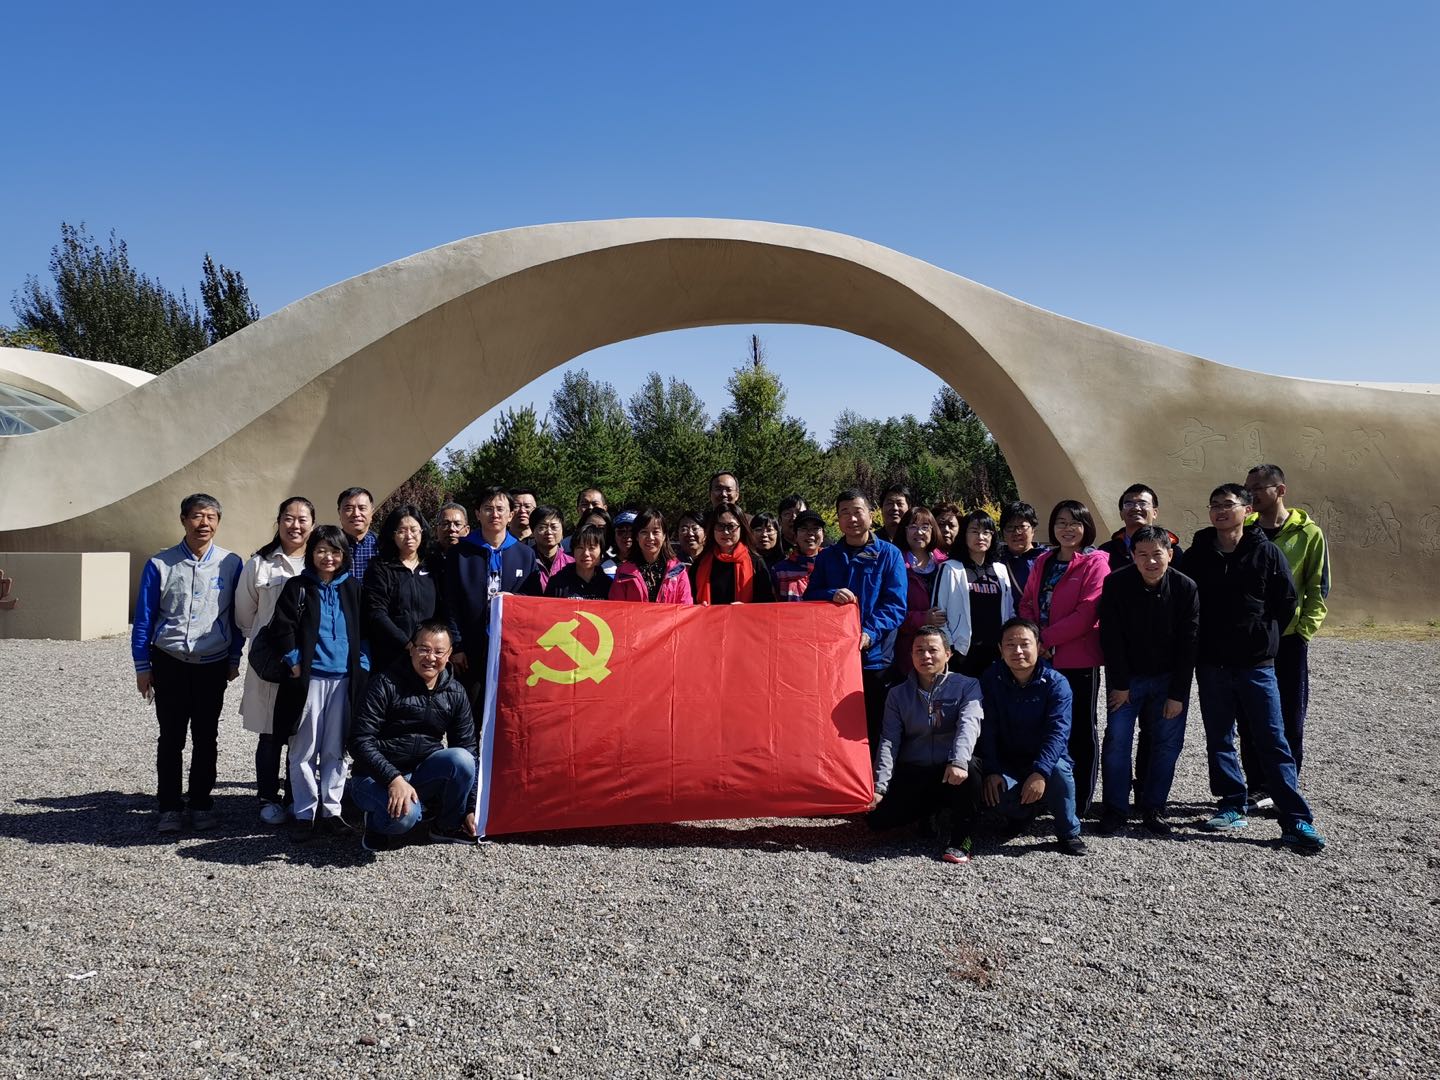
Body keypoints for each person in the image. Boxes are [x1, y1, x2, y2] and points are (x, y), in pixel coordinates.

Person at [1181, 484, 1326, 852]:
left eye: (1227, 504)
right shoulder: (1197, 555)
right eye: (1214, 505)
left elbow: (1286, 601)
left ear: (1247, 511)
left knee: (1272, 738)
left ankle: (1294, 818)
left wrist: (1264, 637)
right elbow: (1185, 602)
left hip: (1256, 664)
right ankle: (1231, 803)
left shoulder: (1267, 552)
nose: (1219, 511)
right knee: (1220, 738)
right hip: (1212, 663)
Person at [131, 493, 244, 834]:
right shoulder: (160, 564)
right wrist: (142, 666)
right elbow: (144, 617)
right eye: (196, 516)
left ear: (218, 522)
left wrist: (234, 657)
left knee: (207, 737)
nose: (203, 523)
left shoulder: (231, 564)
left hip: (212, 663)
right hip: (170, 661)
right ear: (183, 520)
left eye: (210, 517)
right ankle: (169, 806)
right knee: (171, 737)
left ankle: (201, 804)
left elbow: (236, 617)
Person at [267, 525, 369, 842]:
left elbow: (365, 630)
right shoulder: (298, 586)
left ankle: (332, 811)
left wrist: (363, 663)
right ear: (311, 553)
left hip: (344, 680)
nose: (328, 557)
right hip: (309, 680)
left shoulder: (352, 587)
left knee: (336, 749)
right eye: (321, 550)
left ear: (344, 555)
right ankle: (304, 812)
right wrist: (294, 660)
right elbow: (281, 627)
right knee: (303, 749)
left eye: (335, 551)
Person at [1097, 525, 1198, 835]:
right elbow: (1110, 637)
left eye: (1157, 554)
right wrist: (1120, 685)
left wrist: (1178, 694)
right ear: (1132, 556)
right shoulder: (1116, 583)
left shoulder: (1185, 587)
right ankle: (1115, 808)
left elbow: (1189, 644)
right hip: (1127, 679)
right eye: (1142, 555)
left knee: (1167, 743)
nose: (1150, 561)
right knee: (1117, 741)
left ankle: (1154, 806)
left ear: (1170, 554)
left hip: (1168, 680)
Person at [348, 621, 479, 851]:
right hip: (374, 777)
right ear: (411, 648)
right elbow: (359, 741)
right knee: (406, 816)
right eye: (424, 649)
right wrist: (393, 779)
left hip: (420, 772)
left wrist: (470, 808)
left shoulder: (456, 692)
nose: (431, 657)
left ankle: (446, 826)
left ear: (449, 654)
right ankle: (376, 823)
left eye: (439, 651)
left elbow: (468, 747)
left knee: (462, 759)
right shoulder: (384, 684)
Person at [1017, 500, 1109, 814]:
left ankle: (1080, 800)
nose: (1067, 529)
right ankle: (1049, 794)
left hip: (1077, 659)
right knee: (1047, 727)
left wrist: (1044, 639)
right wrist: (1033, 638)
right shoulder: (1044, 560)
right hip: (1042, 659)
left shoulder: (1096, 562)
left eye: (1074, 523)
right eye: (1061, 522)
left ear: (1086, 527)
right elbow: (1027, 602)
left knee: (1080, 728)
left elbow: (1087, 613)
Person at [1244, 464, 1329, 791]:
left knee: (1290, 716)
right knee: (1250, 716)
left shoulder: (1308, 534)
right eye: (1248, 487)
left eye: (1257, 487)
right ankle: (1256, 787)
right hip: (1250, 639)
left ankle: (1285, 788)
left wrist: (1304, 630)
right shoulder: (1245, 529)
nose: (1251, 493)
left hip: (1289, 638)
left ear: (1280, 490)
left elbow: (1318, 586)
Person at [804, 490, 907, 752]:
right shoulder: (827, 557)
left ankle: (878, 775)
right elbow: (810, 597)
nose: (852, 519)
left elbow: (895, 606)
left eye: (857, 511)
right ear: (838, 519)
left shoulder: (889, 554)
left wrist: (870, 633)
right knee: (836, 725)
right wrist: (830, 594)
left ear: (871, 515)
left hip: (876, 659)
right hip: (835, 658)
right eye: (845, 513)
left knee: (876, 726)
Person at [869, 627, 983, 864]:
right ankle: (929, 813)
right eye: (919, 650)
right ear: (911, 655)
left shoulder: (967, 685)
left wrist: (958, 761)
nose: (926, 656)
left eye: (933, 650)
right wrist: (880, 787)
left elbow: (968, 726)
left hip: (950, 769)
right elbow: (889, 740)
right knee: (876, 821)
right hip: (916, 769)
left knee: (971, 768)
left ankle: (962, 838)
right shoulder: (898, 694)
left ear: (948, 654)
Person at [235, 496, 315, 825]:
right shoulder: (260, 564)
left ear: (312, 524)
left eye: (302, 519)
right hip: (270, 661)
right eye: (288, 518)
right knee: (269, 734)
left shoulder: (319, 561)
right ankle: (268, 797)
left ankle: (296, 796)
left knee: (302, 733)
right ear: (278, 521)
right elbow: (244, 615)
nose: (295, 525)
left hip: (308, 661)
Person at [979, 618, 1086, 855]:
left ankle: (1068, 832)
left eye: (1025, 644)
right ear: (1000, 649)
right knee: (991, 790)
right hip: (1008, 760)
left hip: (1045, 758)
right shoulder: (991, 678)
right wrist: (992, 769)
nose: (1018, 651)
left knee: (1059, 772)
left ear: (1038, 646)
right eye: (1010, 644)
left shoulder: (1056, 683)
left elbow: (1058, 732)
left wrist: (1040, 771)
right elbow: (987, 728)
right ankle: (1022, 814)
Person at [444, 487, 539, 694]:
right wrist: (456, 646)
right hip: (470, 648)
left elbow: (535, 601)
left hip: (512, 647)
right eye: (488, 508)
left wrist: (513, 599)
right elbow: (450, 603)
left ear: (510, 515)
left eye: (500, 509)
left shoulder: (525, 554)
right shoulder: (459, 553)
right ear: (477, 514)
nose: (494, 514)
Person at [934, 509, 1017, 678]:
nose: (981, 537)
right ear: (964, 534)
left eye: (986, 532)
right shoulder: (950, 568)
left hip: (996, 653)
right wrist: (951, 648)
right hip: (963, 653)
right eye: (974, 531)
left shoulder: (1000, 570)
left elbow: (1009, 612)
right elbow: (938, 614)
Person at [362, 504, 439, 677]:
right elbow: (376, 612)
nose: (409, 536)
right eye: (402, 531)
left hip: (429, 655)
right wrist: (408, 644)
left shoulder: (433, 566)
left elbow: (443, 609)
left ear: (422, 532)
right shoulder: (380, 568)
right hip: (391, 656)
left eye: (414, 529)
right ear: (392, 534)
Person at [890, 506, 948, 678]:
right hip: (910, 650)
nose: (919, 532)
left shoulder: (945, 564)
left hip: (943, 647)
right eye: (913, 527)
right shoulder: (895, 563)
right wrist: (923, 619)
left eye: (925, 527)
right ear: (904, 530)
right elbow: (891, 609)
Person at [692, 503, 775, 604]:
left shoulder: (756, 562)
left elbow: (767, 602)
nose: (726, 532)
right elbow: (688, 600)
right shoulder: (700, 563)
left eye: (731, 526)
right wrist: (698, 607)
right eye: (720, 526)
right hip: (708, 614)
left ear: (741, 528)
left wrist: (747, 608)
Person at [611, 509, 694, 603]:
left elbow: (685, 607)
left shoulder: (678, 570)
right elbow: (617, 608)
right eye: (644, 532)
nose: (650, 537)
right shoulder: (623, 572)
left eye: (655, 532)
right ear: (637, 537)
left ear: (664, 536)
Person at [1099, 484, 1184, 571]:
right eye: (1129, 504)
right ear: (1121, 514)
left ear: (1155, 513)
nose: (1136, 508)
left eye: (1142, 503)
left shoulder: (1171, 550)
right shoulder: (1106, 551)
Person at [545, 524, 613, 600]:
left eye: (592, 548)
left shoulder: (608, 585)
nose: (586, 553)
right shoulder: (557, 583)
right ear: (573, 551)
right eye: (580, 547)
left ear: (601, 551)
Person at [772, 510, 825, 601]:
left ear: (823, 535)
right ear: (795, 536)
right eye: (804, 528)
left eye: (816, 528)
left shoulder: (834, 565)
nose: (810, 533)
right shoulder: (780, 571)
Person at [998, 501, 1047, 593]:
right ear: (1002, 532)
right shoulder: (996, 560)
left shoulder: (1047, 559)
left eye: (1022, 526)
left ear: (1033, 530)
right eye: (1010, 527)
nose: (1017, 532)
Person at [337, 487, 378, 584]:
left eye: (362, 508)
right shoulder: (331, 544)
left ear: (372, 512)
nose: (356, 514)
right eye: (349, 508)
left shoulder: (382, 545)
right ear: (339, 512)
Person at [528, 505, 573, 592]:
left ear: (562, 530)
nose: (549, 532)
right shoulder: (525, 561)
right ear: (532, 531)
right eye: (542, 527)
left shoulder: (571, 563)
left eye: (554, 527)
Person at [561, 488, 608, 553]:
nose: (590, 507)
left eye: (595, 504)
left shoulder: (617, 543)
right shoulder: (565, 545)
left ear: (605, 508)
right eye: (585, 504)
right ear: (578, 509)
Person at [672, 508, 707, 582]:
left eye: (695, 529)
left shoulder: (712, 560)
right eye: (684, 529)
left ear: (706, 533)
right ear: (677, 534)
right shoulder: (672, 565)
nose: (690, 533)